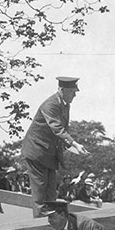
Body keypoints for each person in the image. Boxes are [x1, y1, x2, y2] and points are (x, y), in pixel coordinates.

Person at [21, 76, 89, 217]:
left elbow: (63, 132)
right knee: (40, 195)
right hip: (36, 152)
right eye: (72, 91)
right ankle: (38, 226)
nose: (75, 95)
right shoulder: (50, 105)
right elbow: (57, 128)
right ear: (62, 90)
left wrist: (74, 148)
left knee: (51, 194)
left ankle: (51, 227)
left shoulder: (64, 105)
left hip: (49, 155)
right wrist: (75, 143)